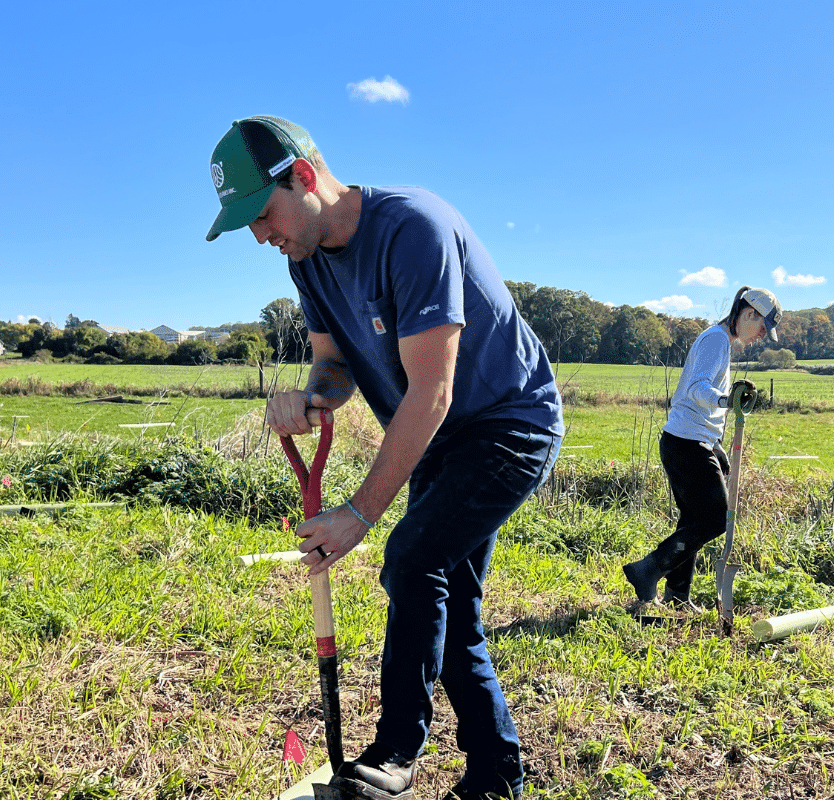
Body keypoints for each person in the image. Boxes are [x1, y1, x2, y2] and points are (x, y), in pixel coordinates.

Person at [205, 116, 564, 800]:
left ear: (304, 177)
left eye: (262, 213)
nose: (259, 233)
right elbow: (334, 366)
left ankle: (396, 750)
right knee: (450, 609)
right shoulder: (303, 261)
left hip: (508, 422)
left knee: (411, 559)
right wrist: (311, 399)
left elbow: (433, 389)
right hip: (437, 433)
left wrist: (360, 514)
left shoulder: (412, 229)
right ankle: (497, 777)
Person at [623, 286, 782, 607]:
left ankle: (678, 595)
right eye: (764, 328)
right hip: (687, 442)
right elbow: (698, 388)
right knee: (714, 519)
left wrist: (718, 440)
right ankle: (647, 570)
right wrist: (726, 400)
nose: (762, 336)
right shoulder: (716, 340)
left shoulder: (721, 340)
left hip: (694, 440)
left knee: (693, 520)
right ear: (750, 314)